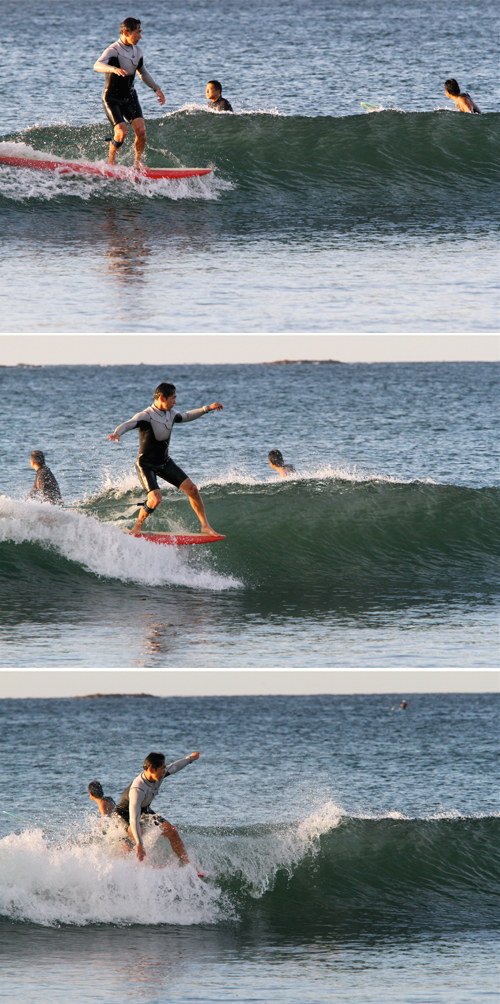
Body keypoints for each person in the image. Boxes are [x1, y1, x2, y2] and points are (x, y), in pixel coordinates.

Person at [108, 382, 223, 534]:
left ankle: (205, 526)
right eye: (173, 398)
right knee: (155, 500)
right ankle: (137, 527)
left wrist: (207, 408)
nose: (175, 402)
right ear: (162, 398)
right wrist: (117, 433)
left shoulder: (171, 413)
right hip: (146, 464)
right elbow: (128, 424)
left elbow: (187, 416)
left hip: (164, 462)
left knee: (193, 489)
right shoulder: (146, 415)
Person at [94, 18, 166, 167]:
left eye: (141, 32)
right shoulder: (113, 50)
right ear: (126, 32)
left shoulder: (138, 52)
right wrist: (113, 69)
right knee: (121, 132)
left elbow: (143, 73)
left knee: (141, 131)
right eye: (138, 32)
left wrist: (156, 89)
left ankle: (138, 163)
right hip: (112, 97)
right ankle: (111, 162)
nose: (140, 36)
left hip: (130, 96)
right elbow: (97, 65)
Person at [112, 751, 201, 866]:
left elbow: (174, 766)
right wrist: (139, 843)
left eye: (165, 767)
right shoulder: (137, 789)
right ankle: (120, 864)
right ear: (151, 770)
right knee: (137, 833)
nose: (165, 771)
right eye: (162, 768)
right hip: (124, 814)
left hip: (144, 810)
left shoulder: (159, 774)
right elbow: (133, 818)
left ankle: (189, 866)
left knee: (172, 831)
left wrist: (190, 758)